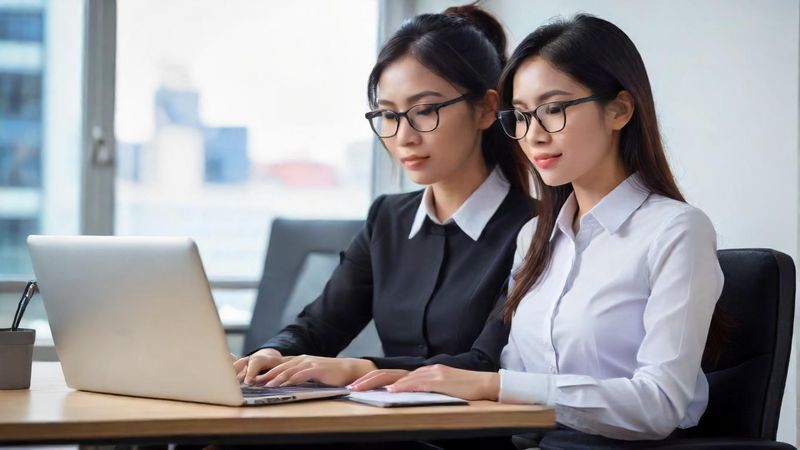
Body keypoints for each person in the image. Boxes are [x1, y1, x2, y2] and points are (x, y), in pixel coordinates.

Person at [351, 14, 725, 445]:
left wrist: (493, 385)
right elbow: (516, 378)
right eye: (522, 116)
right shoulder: (535, 238)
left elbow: (658, 405)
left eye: (553, 109)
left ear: (620, 109)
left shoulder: (676, 231)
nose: (534, 135)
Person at [234, 4, 535, 390]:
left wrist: (358, 368)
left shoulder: (537, 229)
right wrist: (272, 353)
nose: (404, 137)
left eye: (425, 111)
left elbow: (486, 362)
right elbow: (321, 326)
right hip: (383, 419)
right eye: (389, 115)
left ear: (487, 109)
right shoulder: (387, 219)